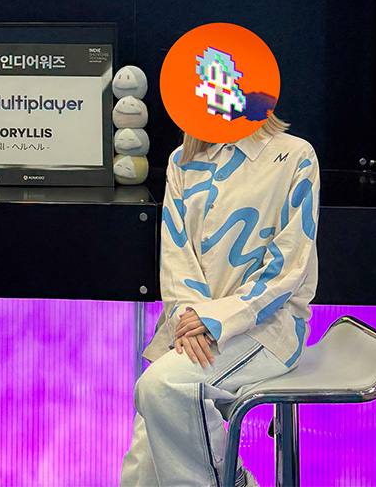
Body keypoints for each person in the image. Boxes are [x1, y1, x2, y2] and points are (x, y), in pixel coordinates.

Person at [120, 114, 319, 487]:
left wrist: (216, 320)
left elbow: (288, 267)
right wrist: (192, 319)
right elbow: (177, 257)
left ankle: (233, 481)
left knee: (162, 387)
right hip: (190, 328)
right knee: (142, 472)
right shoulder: (182, 160)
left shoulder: (295, 155)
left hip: (266, 328)